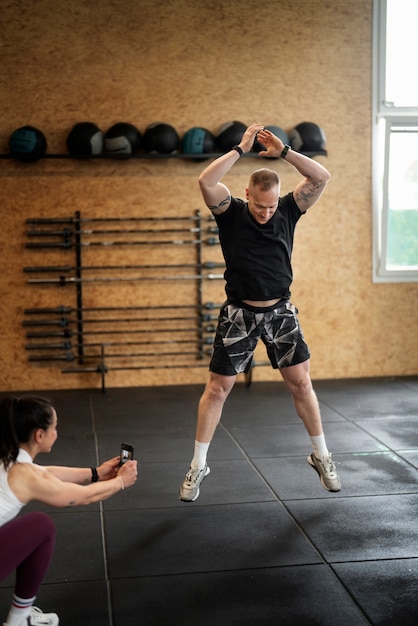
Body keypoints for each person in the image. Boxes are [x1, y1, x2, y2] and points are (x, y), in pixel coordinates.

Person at [179, 123, 341, 502]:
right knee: (218, 389)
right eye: (259, 204)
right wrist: (240, 148)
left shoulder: (288, 209)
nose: (266, 212)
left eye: (271, 205)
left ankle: (322, 456)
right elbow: (206, 180)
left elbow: (321, 175)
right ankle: (198, 464)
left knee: (301, 384)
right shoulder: (230, 212)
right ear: (246, 193)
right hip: (239, 313)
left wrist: (284, 152)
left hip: (281, 311)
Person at [0, 395, 138, 626]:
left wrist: (96, 472)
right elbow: (82, 497)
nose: (57, 432)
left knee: (36, 528)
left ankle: (21, 616)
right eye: (55, 427)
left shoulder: (8, 457)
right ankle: (17, 621)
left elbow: (46, 473)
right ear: (39, 435)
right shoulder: (23, 473)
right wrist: (120, 482)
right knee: (40, 526)